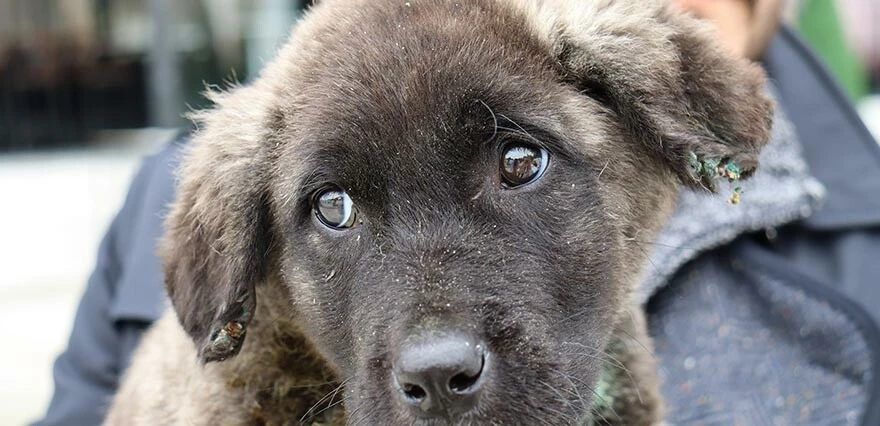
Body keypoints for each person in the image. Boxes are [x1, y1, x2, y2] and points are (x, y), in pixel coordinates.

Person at [33, 0, 880, 424]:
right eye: (334, 207)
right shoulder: (207, 181)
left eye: (519, 163)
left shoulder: (858, 228)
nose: (437, 341)